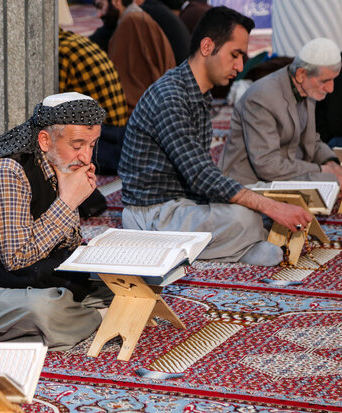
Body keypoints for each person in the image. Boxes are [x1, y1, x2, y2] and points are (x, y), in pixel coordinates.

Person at [118, 7, 313, 267]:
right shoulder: (170, 96)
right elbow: (200, 175)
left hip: (184, 203)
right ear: (208, 46)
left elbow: (201, 177)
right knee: (247, 216)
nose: (240, 66)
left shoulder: (198, 92)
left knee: (254, 205)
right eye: (235, 55)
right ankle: (238, 249)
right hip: (152, 215)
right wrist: (270, 207)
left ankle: (236, 245)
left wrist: (264, 204)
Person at [0, 92, 112, 350]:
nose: (86, 157)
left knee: (112, 282)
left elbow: (67, 244)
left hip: (12, 277)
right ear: (45, 140)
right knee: (44, 309)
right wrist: (67, 201)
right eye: (77, 145)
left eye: (92, 145)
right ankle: (101, 319)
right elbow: (18, 257)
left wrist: (67, 194)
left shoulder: (58, 164)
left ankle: (85, 312)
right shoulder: (5, 172)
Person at [221, 38, 342, 187]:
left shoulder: (308, 88)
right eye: (325, 81)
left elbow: (312, 139)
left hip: (287, 171)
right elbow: (266, 165)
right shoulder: (262, 97)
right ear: (301, 74)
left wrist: (331, 163)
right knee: (329, 182)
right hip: (250, 183)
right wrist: (322, 170)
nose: (331, 89)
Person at [59, 28, 129, 173]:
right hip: (121, 137)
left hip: (104, 144)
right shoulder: (76, 41)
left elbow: (50, 105)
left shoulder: (61, 51)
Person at [107, 0, 176, 113]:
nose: (99, 14)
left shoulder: (130, 21)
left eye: (100, 6)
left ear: (116, 2)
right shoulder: (140, 16)